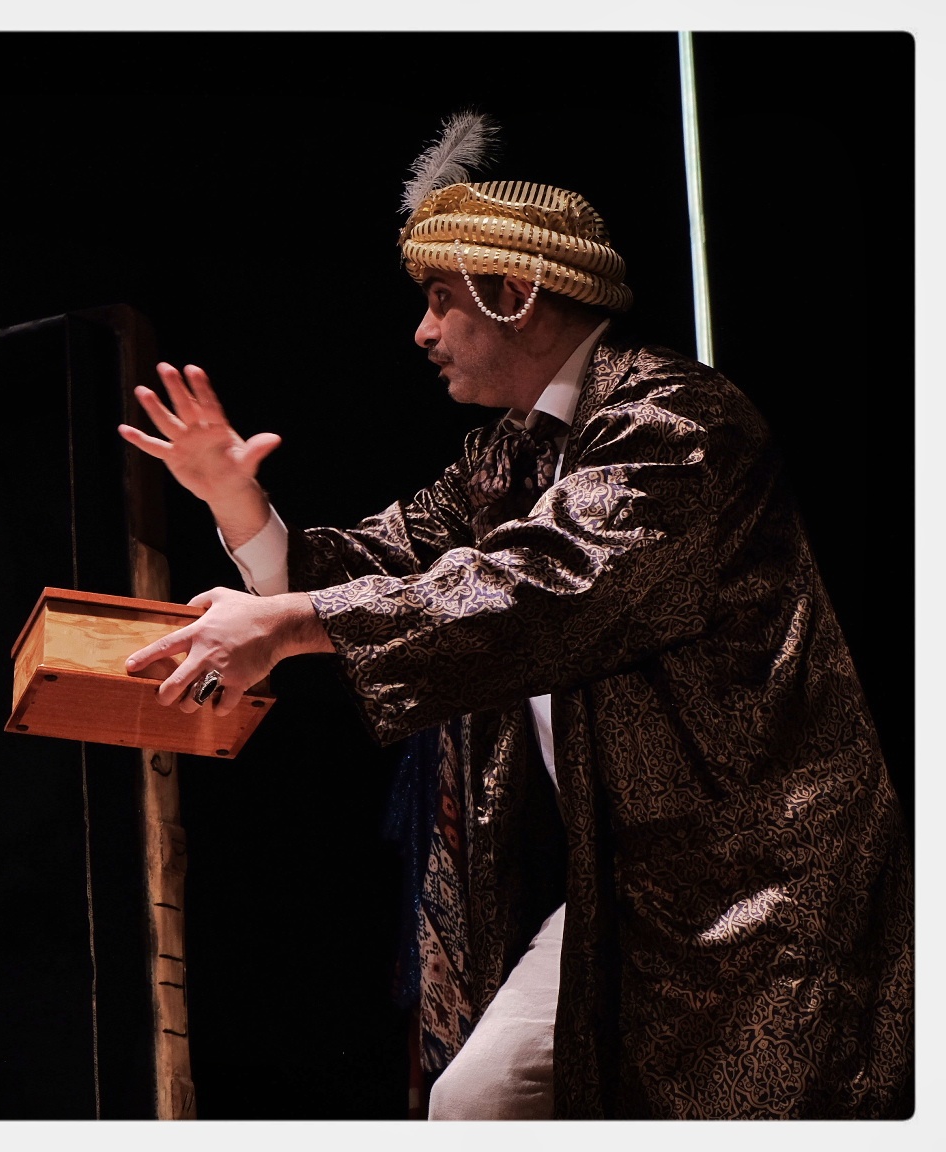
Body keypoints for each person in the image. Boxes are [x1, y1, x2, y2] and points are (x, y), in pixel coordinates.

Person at [117, 120, 912, 1119]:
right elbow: (385, 564)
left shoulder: (677, 423)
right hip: (628, 889)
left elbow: (537, 590)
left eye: (439, 300)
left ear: (516, 294)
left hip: (760, 886)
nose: (422, 332)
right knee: (480, 1103)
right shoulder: (512, 453)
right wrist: (234, 500)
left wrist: (286, 626)